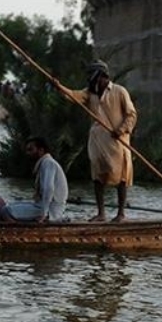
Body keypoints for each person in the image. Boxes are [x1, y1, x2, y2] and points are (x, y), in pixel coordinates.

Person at [56, 60, 138, 222]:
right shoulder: (90, 93)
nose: (90, 80)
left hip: (117, 142)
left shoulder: (119, 91)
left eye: (92, 76)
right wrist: (59, 87)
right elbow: (73, 95)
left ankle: (121, 214)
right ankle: (101, 213)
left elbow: (131, 115)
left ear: (101, 76)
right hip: (98, 142)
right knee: (98, 177)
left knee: (121, 177)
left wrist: (120, 130)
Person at [0, 137, 68, 223]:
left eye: (31, 150)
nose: (28, 153)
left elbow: (48, 189)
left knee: (5, 211)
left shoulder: (48, 163)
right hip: (44, 207)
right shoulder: (45, 163)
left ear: (41, 150)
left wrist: (44, 213)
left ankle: (20, 233)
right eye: (27, 150)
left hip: (50, 211)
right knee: (9, 205)